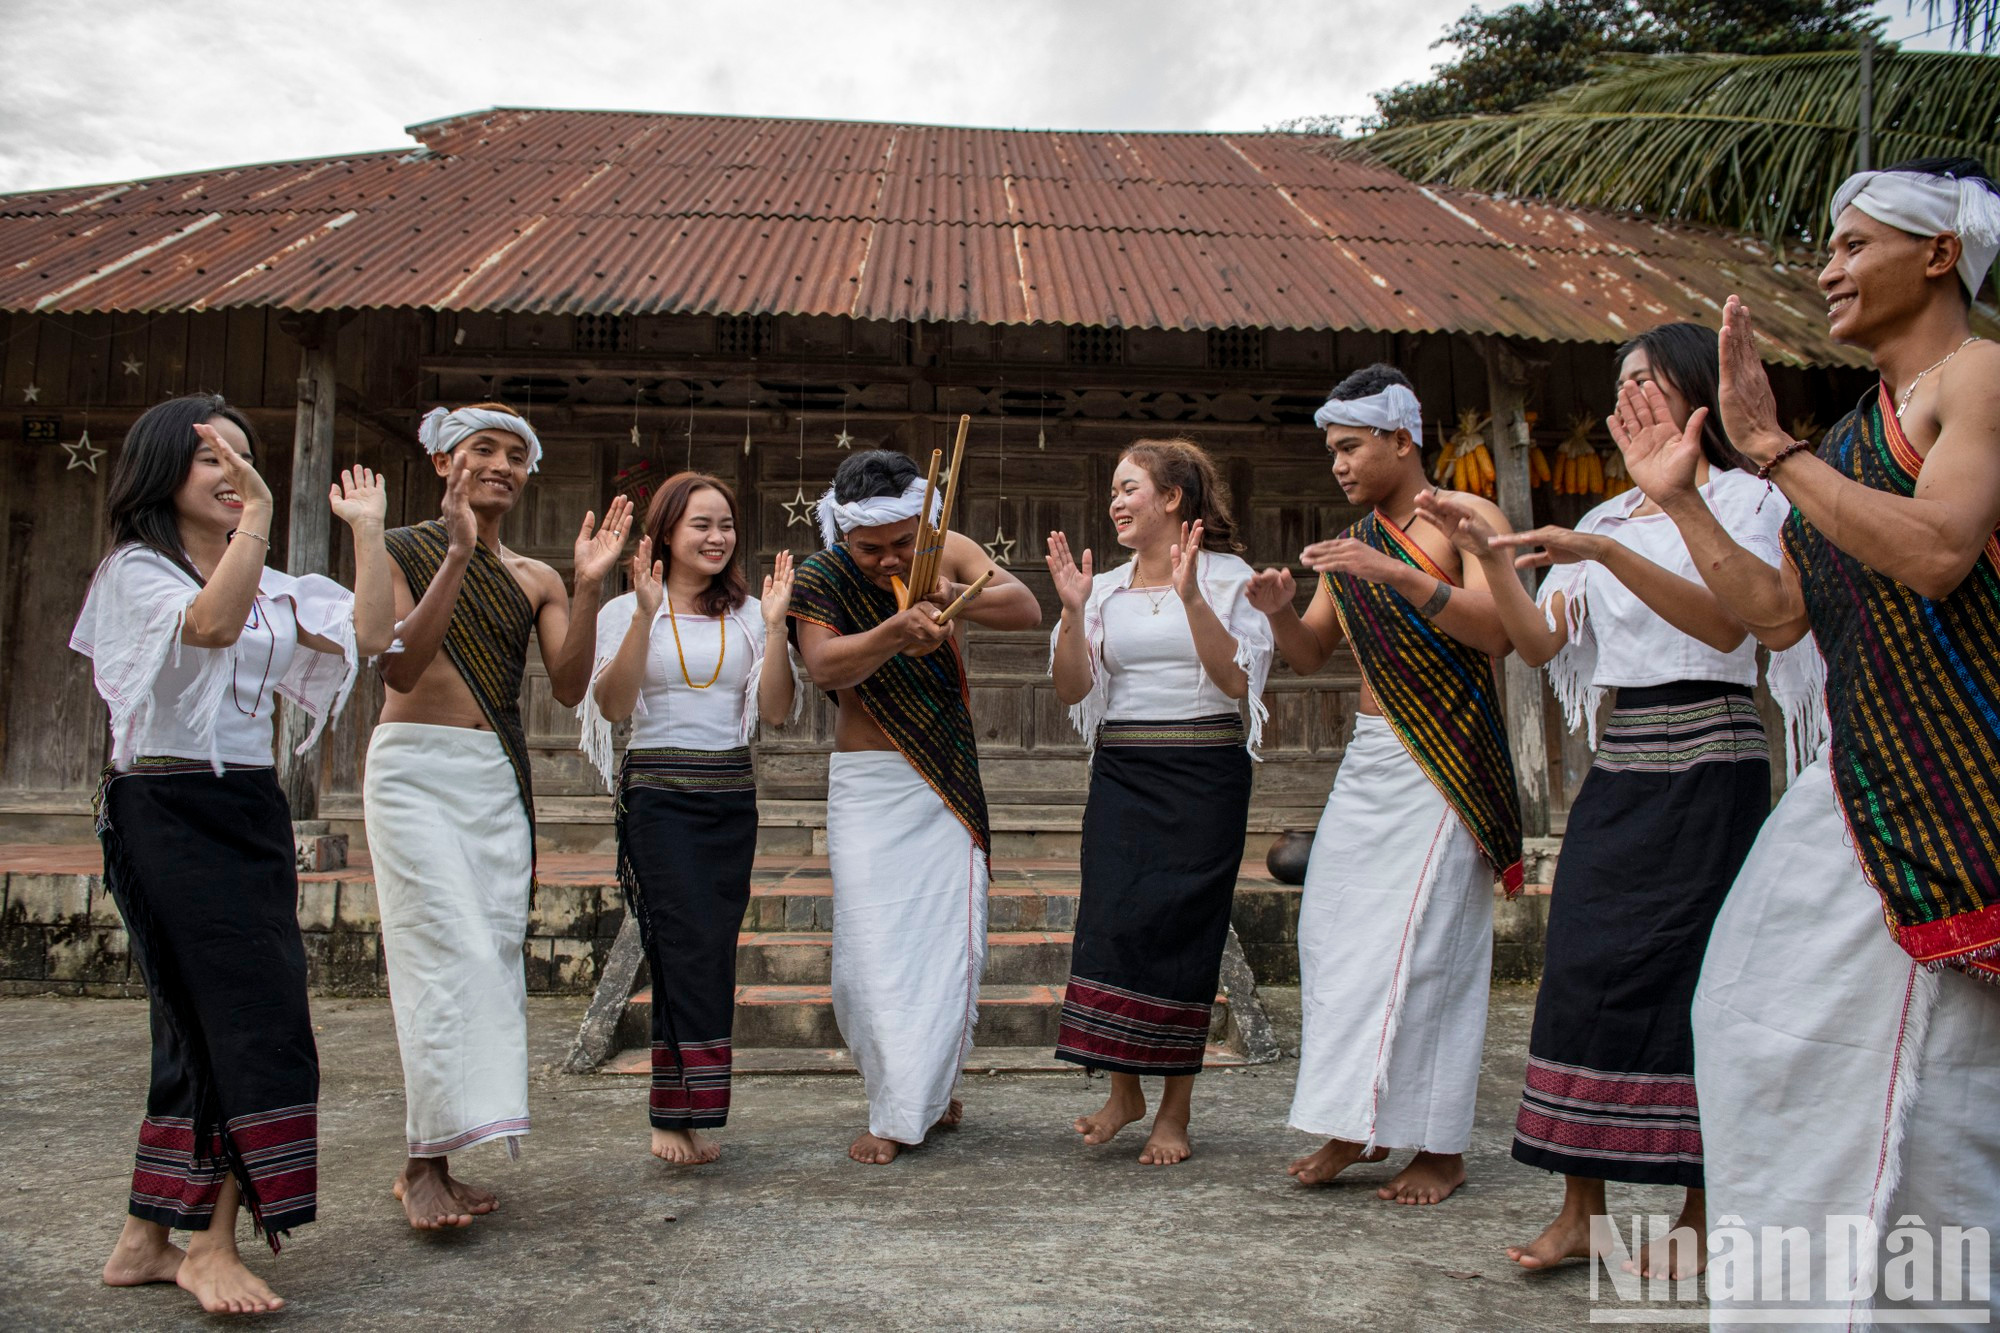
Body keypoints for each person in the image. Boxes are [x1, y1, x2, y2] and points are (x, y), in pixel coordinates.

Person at [1616, 159, 2000, 1321]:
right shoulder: (1839, 439)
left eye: (1852, 243)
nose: (1824, 267)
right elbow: (1773, 615)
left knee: (1921, 1088)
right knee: (1744, 1018)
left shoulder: (1979, 375)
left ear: (1937, 255)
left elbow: (1936, 550)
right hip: (1851, 781)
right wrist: (1683, 495)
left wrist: (1769, 451)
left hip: (1949, 786)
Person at [1418, 323, 1813, 1279]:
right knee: (1581, 970)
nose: (1630, 396)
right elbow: (1539, 647)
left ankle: (1699, 1209)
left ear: (1694, 396)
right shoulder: (1615, 516)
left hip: (1714, 767)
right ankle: (1579, 1208)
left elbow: (1729, 625)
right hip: (1622, 766)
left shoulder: (1750, 502)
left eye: (1649, 380)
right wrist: (1496, 558)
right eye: (1622, 382)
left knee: (1695, 982)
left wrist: (1607, 543)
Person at [73, 394, 394, 1313]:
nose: (233, 473)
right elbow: (210, 625)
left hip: (247, 809)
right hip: (163, 805)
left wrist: (367, 534)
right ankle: (209, 1244)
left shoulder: (272, 579)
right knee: (243, 1020)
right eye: (213, 458)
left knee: (193, 1019)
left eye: (245, 459)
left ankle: (144, 1236)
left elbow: (370, 634)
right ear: (163, 467)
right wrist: (257, 518)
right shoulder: (139, 571)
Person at [1247, 364, 1521, 1206]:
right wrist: (1276, 609)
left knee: (1430, 952)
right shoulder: (1358, 537)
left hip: (1446, 760)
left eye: (1351, 446)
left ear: (1403, 439)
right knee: (1334, 936)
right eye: (1331, 449)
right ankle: (1354, 1119)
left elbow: (1502, 632)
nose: (1337, 463)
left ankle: (1439, 1148)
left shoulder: (1466, 520)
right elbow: (1310, 653)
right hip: (1372, 758)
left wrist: (1398, 573)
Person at [365, 401, 630, 1229]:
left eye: (518, 454)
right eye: (483, 449)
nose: (502, 465)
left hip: (493, 778)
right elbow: (399, 664)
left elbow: (567, 682)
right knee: (434, 953)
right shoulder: (397, 547)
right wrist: (454, 556)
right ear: (444, 462)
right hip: (413, 774)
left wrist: (588, 585)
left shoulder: (536, 578)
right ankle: (423, 1161)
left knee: (486, 956)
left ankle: (436, 1153)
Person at [788, 449, 1042, 1164]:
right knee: (870, 953)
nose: (890, 557)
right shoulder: (822, 576)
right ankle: (904, 1089)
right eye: (873, 547)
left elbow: (1024, 607)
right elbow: (824, 665)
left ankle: (916, 1098)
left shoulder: (941, 550)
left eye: (904, 542)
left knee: (944, 944)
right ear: (844, 534)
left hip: (944, 774)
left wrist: (949, 587)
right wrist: (896, 631)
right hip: (870, 779)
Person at [1044, 438, 1273, 1165]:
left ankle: (1174, 1108)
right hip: (1123, 773)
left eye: (1129, 487)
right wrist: (1075, 613)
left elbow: (1237, 683)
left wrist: (1191, 598)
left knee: (1184, 934)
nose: (1115, 501)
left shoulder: (1230, 577)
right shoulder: (1103, 586)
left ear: (1172, 499)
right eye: (1113, 489)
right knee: (1113, 923)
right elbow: (1072, 689)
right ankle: (1123, 1090)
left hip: (1204, 773)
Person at [579, 472, 797, 1166]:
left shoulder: (744, 615)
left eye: (726, 524)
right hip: (659, 798)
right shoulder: (626, 610)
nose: (717, 537)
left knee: (713, 950)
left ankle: (694, 1107)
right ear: (668, 531)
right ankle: (669, 1113)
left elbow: (779, 711)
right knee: (680, 945)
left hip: (730, 798)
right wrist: (645, 614)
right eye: (701, 524)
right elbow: (614, 708)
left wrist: (773, 627)